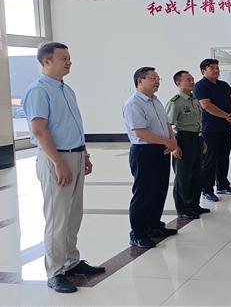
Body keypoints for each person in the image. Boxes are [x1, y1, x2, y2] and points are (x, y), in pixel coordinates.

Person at [22, 42, 105, 294]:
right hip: (56, 159)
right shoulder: (38, 90)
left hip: (75, 155)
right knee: (57, 218)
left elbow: (73, 125)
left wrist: (84, 154)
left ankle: (71, 262)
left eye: (69, 58)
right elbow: (39, 130)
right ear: (46, 61)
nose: (69, 62)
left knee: (73, 215)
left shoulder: (65, 89)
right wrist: (59, 163)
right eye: (63, 58)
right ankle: (55, 271)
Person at [123, 67, 181, 249]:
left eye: (158, 78)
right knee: (144, 193)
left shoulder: (155, 101)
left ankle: (154, 226)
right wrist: (167, 141)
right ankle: (138, 233)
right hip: (144, 152)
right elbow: (140, 132)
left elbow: (166, 123)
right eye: (153, 78)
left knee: (159, 190)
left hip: (161, 149)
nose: (157, 81)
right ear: (140, 80)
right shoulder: (133, 103)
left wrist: (173, 140)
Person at [165, 70, 211, 219]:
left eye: (192, 79)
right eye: (188, 80)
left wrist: (202, 140)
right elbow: (168, 125)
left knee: (197, 173)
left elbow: (198, 123)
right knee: (183, 176)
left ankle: (194, 204)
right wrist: (174, 146)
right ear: (178, 83)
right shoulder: (175, 102)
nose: (192, 82)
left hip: (196, 139)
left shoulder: (195, 99)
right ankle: (183, 208)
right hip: (183, 139)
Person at [194, 59, 231, 202]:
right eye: (212, 68)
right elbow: (206, 105)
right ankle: (207, 190)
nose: (216, 70)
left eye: (217, 68)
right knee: (209, 160)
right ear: (203, 71)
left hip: (225, 127)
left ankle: (223, 185)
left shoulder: (224, 85)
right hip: (209, 129)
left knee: (224, 157)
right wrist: (227, 116)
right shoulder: (200, 86)